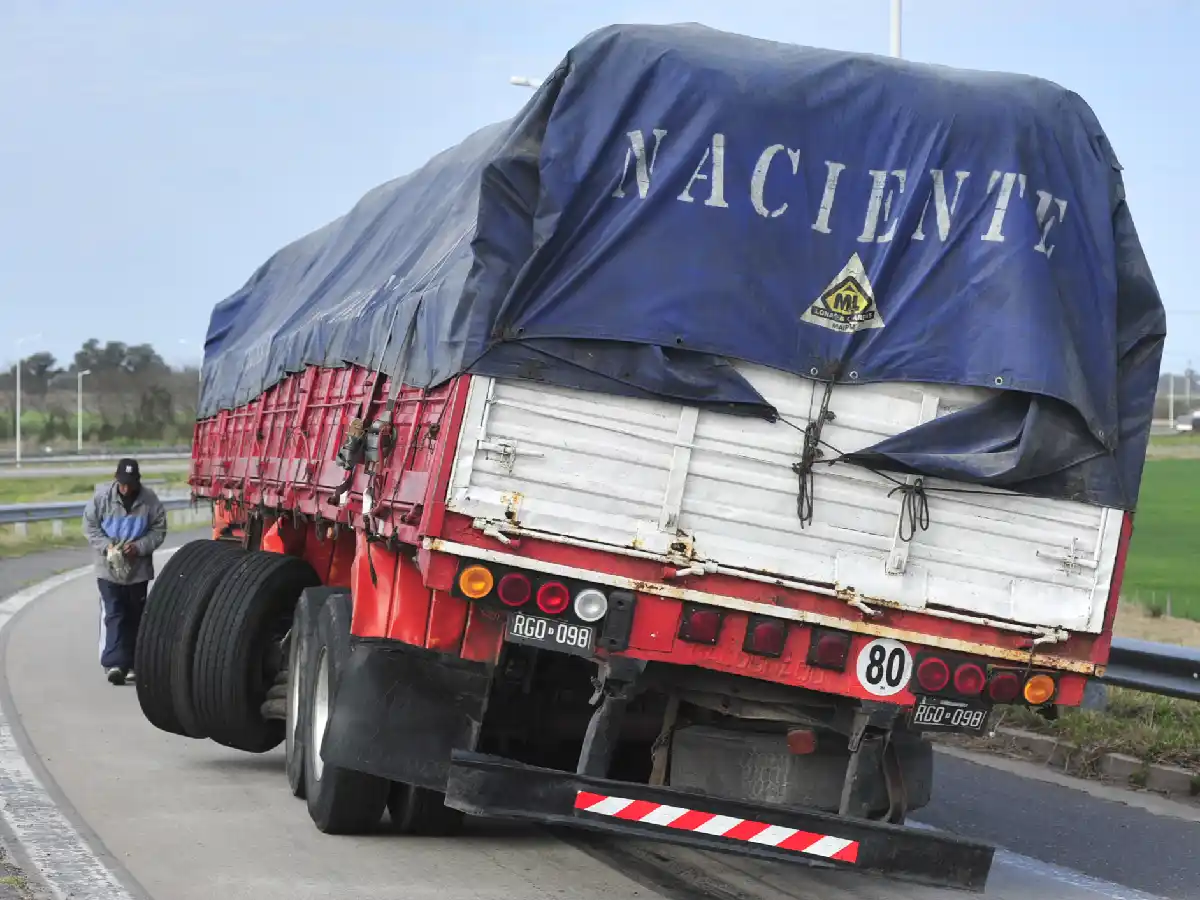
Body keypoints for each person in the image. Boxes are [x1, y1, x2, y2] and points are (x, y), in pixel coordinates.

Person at [82, 458, 168, 685]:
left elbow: (159, 530)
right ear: (116, 479)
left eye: (130, 484)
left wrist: (138, 547)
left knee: (135, 615)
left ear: (138, 481)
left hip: (137, 571)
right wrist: (108, 547)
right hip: (108, 570)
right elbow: (90, 527)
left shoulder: (150, 501)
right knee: (114, 613)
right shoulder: (101, 498)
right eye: (122, 484)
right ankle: (114, 663)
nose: (126, 488)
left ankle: (132, 664)